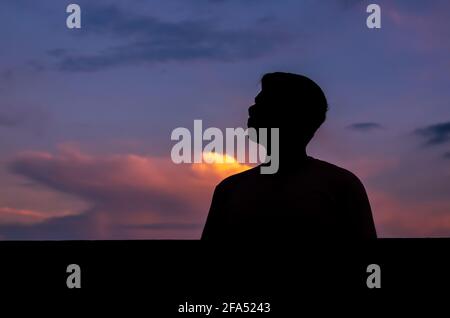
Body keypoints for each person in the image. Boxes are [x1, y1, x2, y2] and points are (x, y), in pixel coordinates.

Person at [201, 72, 377, 240]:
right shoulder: (229, 189)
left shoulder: (342, 186)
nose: (251, 109)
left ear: (293, 115)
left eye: (263, 104)